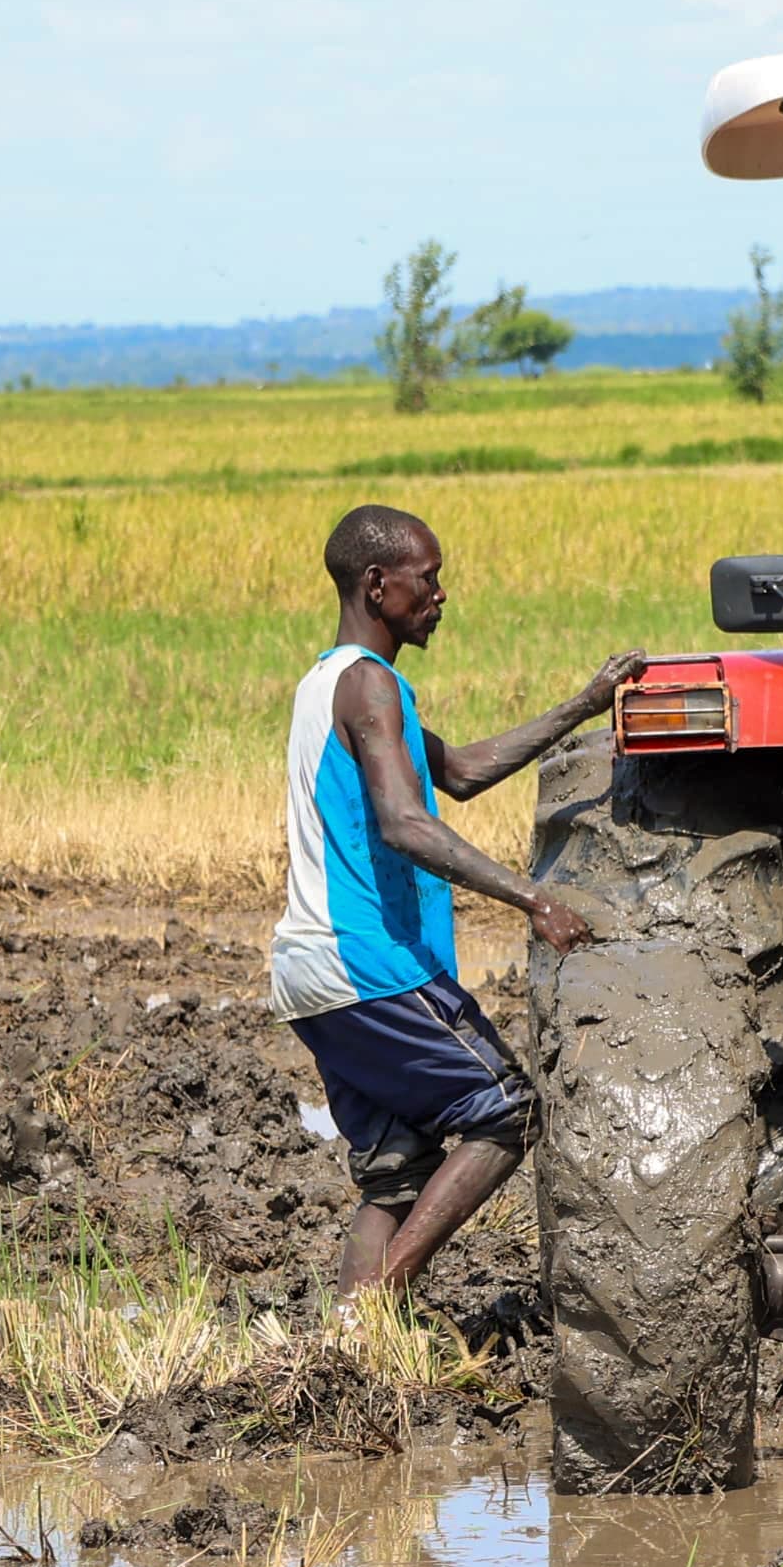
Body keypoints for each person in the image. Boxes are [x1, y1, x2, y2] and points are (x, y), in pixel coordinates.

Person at [274, 504, 643, 1296]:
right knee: (505, 1109)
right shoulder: (369, 685)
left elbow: (464, 770)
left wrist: (583, 705)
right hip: (368, 963)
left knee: (395, 1171)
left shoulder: (334, 683)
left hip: (310, 976)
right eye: (429, 578)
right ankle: (378, 1304)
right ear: (378, 585)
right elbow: (405, 823)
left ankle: (348, 1348)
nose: (441, 595)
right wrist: (532, 896)